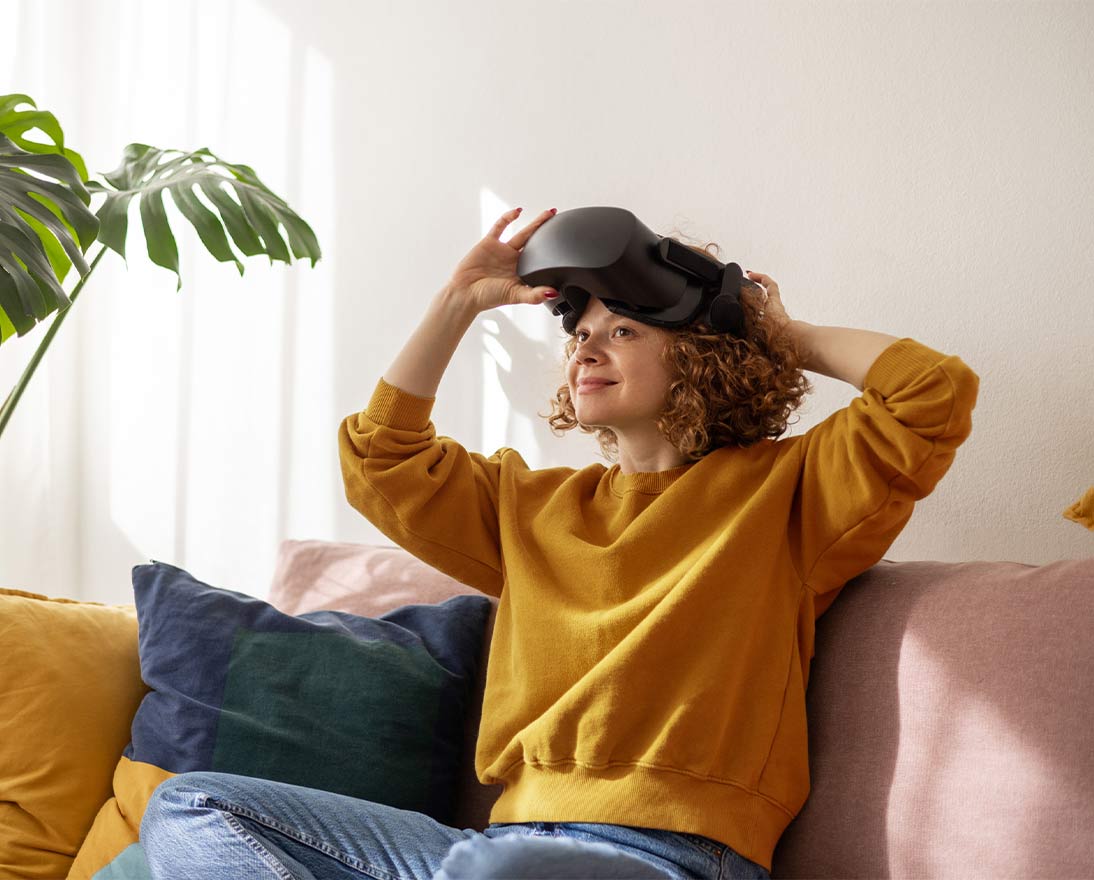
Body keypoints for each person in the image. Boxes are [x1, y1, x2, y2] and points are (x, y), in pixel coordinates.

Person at [140, 206, 979, 879]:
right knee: (194, 811)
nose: (587, 345)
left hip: (669, 857)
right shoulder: (527, 509)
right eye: (581, 332)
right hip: (492, 853)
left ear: (702, 354)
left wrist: (773, 333)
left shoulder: (787, 496)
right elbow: (380, 462)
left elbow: (930, 394)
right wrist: (459, 302)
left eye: (623, 330)